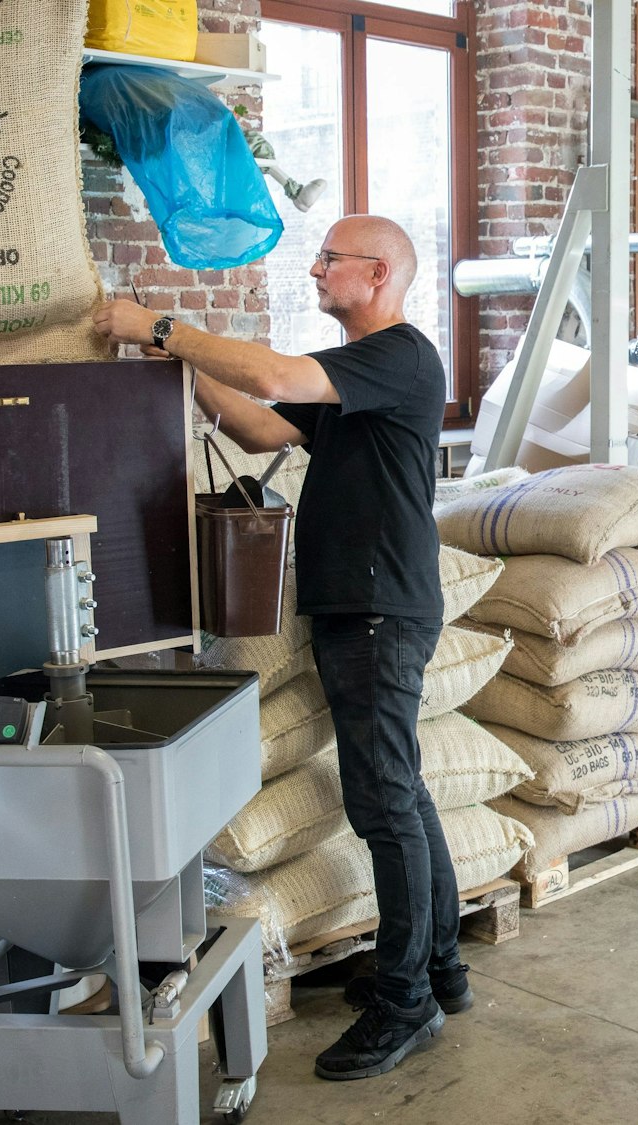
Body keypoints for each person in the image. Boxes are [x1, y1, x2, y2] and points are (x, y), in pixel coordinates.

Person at [93, 215, 469, 1082]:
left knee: (382, 803)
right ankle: (438, 967)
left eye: (330, 259)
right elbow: (265, 426)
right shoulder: (352, 379)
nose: (315, 268)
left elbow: (266, 372)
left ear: (377, 275)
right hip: (360, 606)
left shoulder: (401, 355)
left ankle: (406, 1003)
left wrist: (157, 325)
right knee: (401, 791)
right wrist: (181, 368)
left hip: (379, 608)